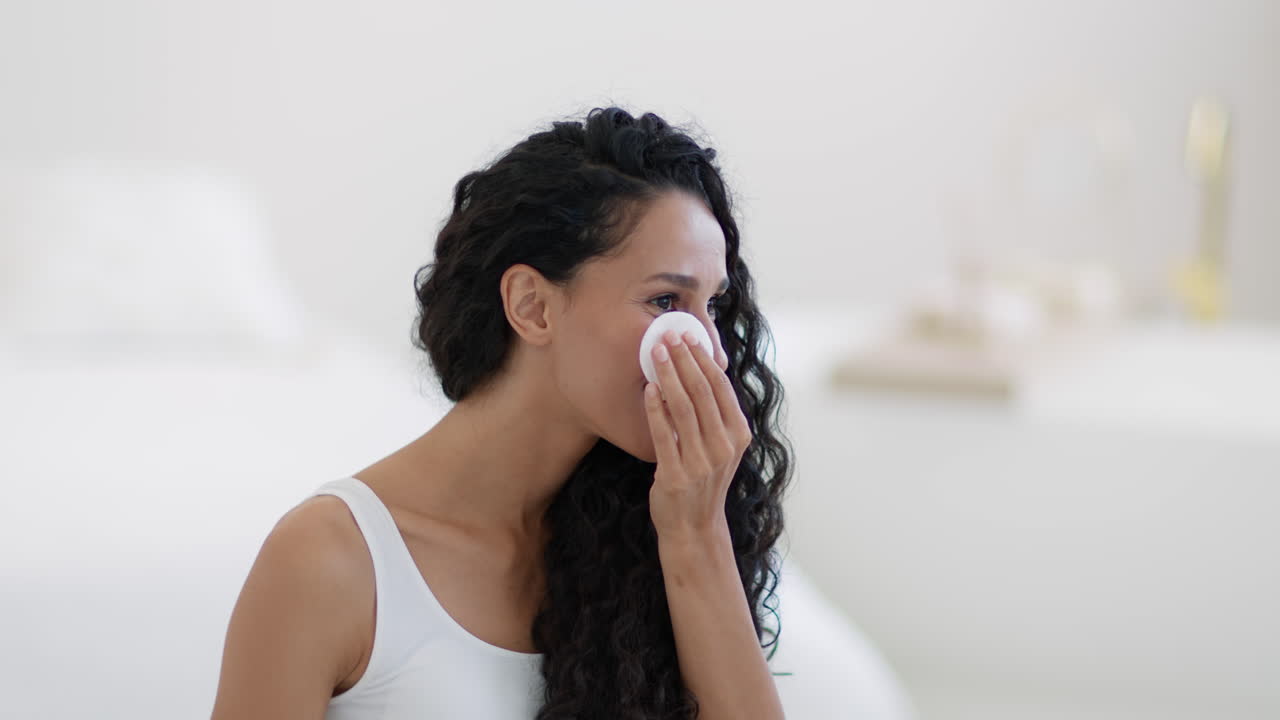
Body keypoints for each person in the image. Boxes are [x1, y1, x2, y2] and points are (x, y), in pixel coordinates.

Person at [209, 106, 795, 720]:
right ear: (532, 306)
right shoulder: (329, 562)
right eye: (666, 300)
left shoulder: (648, 535)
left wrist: (697, 536)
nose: (711, 353)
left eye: (713, 306)